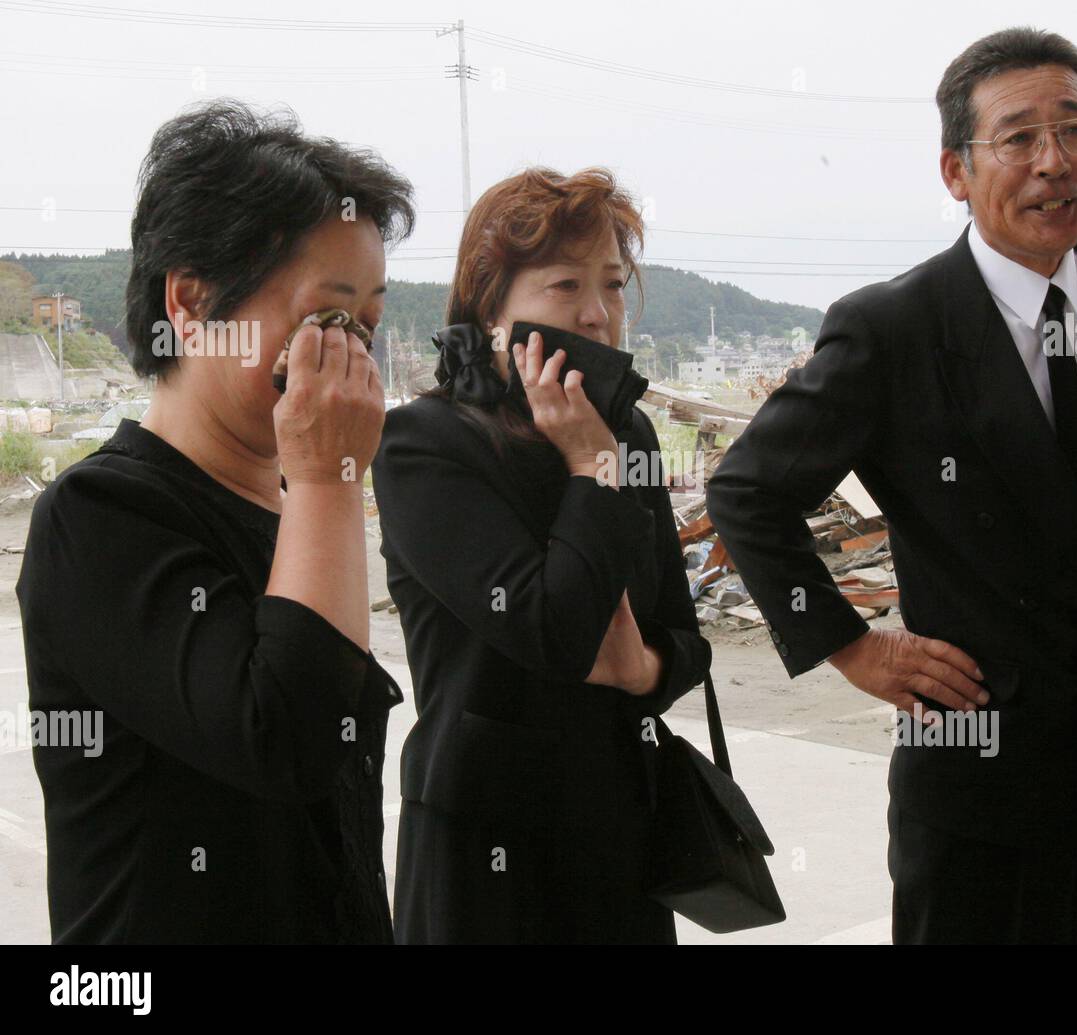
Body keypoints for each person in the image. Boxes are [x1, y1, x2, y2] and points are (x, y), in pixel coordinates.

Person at [706, 27, 1077, 944]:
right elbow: (748, 494)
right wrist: (853, 646)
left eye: (1076, 129)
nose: (1054, 162)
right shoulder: (895, 329)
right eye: (1019, 137)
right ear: (956, 171)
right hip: (984, 773)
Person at [16, 99, 416, 943]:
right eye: (326, 319)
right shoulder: (96, 517)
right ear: (192, 302)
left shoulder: (296, 507)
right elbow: (289, 741)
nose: (352, 357)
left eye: (368, 326)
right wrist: (329, 476)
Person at [372, 167, 711, 944]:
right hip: (485, 853)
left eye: (614, 286)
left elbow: (687, 640)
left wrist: (644, 670)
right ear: (492, 306)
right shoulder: (424, 445)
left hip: (620, 843)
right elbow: (551, 631)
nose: (597, 315)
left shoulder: (630, 435)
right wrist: (589, 465)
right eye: (564, 284)